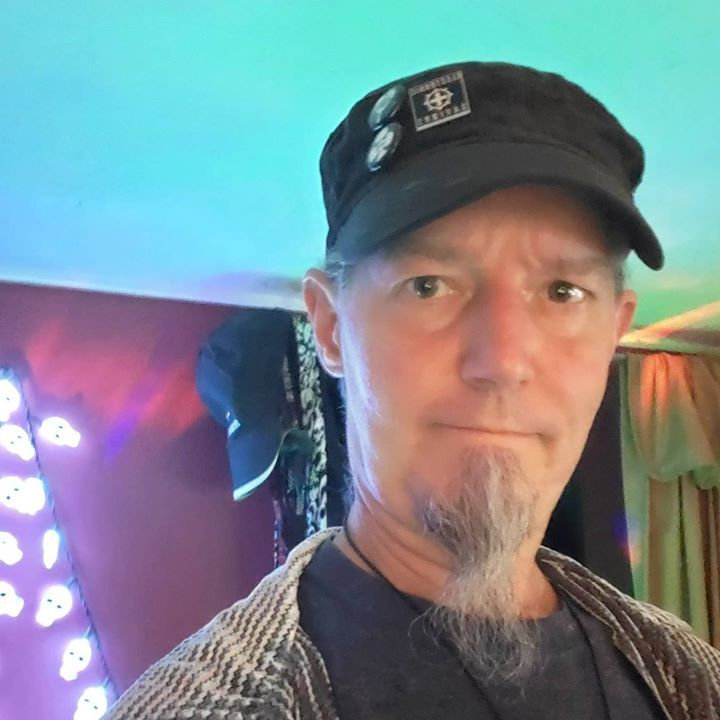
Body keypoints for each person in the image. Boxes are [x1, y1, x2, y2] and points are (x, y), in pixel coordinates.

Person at [107, 62, 720, 720]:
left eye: (562, 292)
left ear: (613, 337)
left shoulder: (690, 677)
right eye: (428, 286)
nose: (503, 361)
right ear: (331, 326)